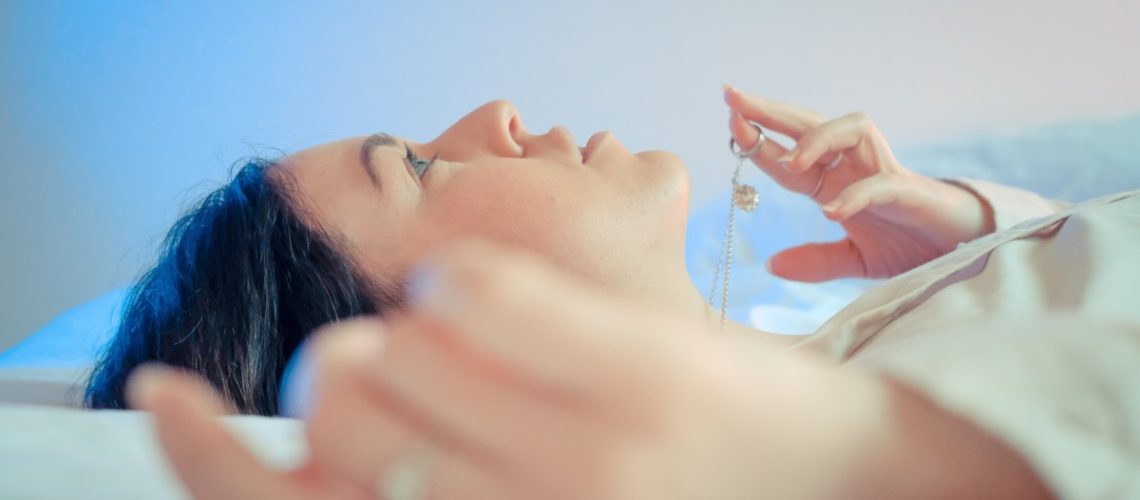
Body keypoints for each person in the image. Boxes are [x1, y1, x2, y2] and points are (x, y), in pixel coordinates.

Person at [123, 86, 1139, 498]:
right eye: (422, 167)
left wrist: (978, 236)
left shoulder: (851, 323)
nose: (497, 111)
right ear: (429, 346)